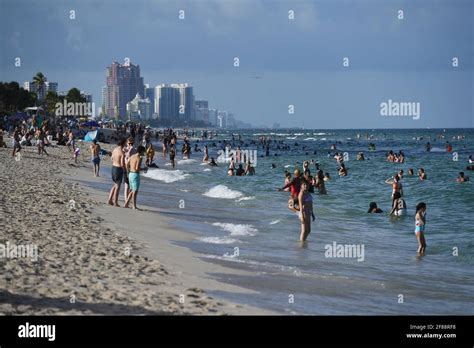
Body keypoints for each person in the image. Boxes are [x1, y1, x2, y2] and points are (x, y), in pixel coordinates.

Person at [124, 146, 148, 210]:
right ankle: (134, 206)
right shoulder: (139, 158)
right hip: (135, 175)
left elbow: (127, 163)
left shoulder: (132, 156)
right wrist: (143, 169)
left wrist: (128, 171)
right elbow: (137, 168)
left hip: (130, 174)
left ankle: (126, 203)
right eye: (143, 151)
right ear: (141, 151)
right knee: (135, 191)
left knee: (132, 190)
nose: (144, 153)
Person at [107, 139, 126, 207]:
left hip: (113, 167)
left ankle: (109, 200)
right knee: (118, 186)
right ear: (123, 144)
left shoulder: (115, 150)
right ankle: (115, 202)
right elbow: (122, 164)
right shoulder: (122, 152)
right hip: (118, 169)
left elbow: (111, 158)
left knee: (115, 185)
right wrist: (125, 170)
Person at [123, 138, 137, 202]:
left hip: (132, 168)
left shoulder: (134, 150)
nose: (130, 145)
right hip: (126, 168)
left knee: (131, 186)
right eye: (129, 143)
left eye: (132, 143)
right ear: (127, 143)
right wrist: (127, 150)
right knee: (126, 186)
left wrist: (129, 150)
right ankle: (126, 200)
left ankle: (128, 199)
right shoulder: (125, 149)